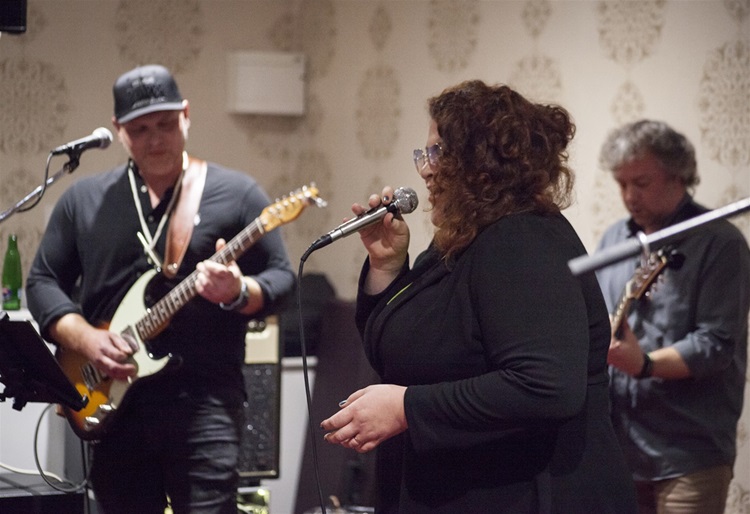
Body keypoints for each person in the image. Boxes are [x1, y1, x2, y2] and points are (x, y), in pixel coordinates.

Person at [320, 80, 637, 513]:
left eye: (437, 152)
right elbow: (396, 354)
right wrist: (386, 267)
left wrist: (408, 408)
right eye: (424, 154)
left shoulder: (523, 239)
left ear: (481, 161)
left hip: (529, 495)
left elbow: (546, 386)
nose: (425, 170)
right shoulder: (463, 240)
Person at [26, 64, 295, 514]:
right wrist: (86, 339)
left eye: (166, 124)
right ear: (118, 130)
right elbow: (42, 281)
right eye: (140, 129)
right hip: (113, 404)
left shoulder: (237, 194)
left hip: (206, 401)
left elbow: (283, 278)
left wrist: (238, 291)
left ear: (186, 115)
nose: (155, 140)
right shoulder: (84, 200)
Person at [596, 119, 750, 514]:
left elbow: (716, 344)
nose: (629, 196)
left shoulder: (720, 243)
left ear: (678, 175)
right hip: (619, 453)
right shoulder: (615, 240)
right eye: (621, 184)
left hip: (688, 457)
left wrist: (644, 364)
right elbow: (595, 320)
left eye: (641, 183)